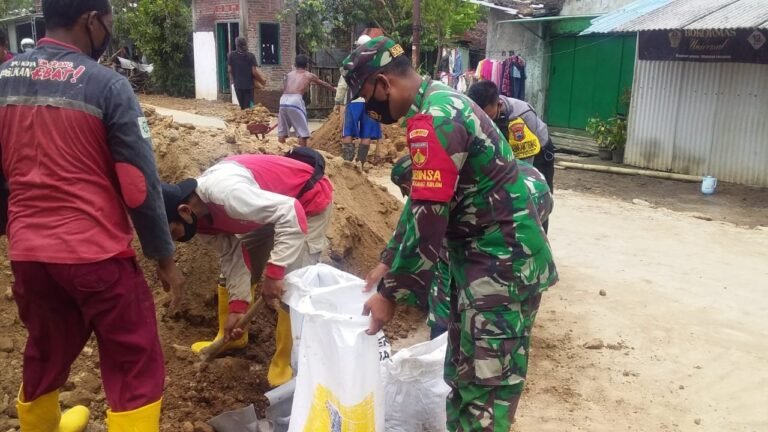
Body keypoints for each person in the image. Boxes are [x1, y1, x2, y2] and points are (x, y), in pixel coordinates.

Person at [345, 37, 558, 431]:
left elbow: (429, 218)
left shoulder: (436, 118)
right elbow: (420, 202)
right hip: (480, 267)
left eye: (366, 97)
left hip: (501, 271)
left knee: (486, 396)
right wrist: (388, 259)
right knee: (462, 380)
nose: (369, 111)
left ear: (382, 83)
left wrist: (390, 295)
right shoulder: (437, 104)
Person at [0, 0, 185, 430]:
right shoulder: (107, 86)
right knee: (134, 358)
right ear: (91, 20)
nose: (108, 32)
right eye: (109, 23)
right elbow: (138, 185)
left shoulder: (4, 80)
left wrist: (15, 233)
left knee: (46, 350)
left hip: (30, 256)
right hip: (95, 255)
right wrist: (164, 258)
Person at [161, 152, 333, 387]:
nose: (175, 240)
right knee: (232, 273)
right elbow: (233, 256)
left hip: (305, 200)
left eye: (172, 233)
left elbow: (290, 212)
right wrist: (237, 308)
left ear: (183, 211)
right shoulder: (198, 222)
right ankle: (231, 337)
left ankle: (285, 361)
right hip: (273, 207)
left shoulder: (228, 195)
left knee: (293, 284)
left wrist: (275, 273)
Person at [383, 155, 554, 340]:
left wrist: (389, 290)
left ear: (407, 186)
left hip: (521, 197)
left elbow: (420, 241)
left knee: (464, 260)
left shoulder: (439, 192)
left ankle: (455, 333)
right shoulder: (436, 171)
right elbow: (407, 224)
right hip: (534, 185)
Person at [468, 81, 556, 192]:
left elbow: (526, 164)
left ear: (498, 104)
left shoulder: (522, 115)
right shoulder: (469, 112)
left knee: (537, 192)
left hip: (536, 152)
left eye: (489, 118)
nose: (484, 121)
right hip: (509, 151)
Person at [335, 35, 382, 170]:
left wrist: (338, 102)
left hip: (353, 101)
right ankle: (360, 164)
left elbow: (343, 85)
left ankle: (347, 164)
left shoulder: (351, 63)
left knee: (348, 131)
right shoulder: (376, 65)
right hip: (370, 102)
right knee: (366, 134)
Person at [279, 54, 335, 146]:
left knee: (282, 131)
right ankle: (302, 154)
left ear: (295, 64)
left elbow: (284, 88)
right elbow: (323, 84)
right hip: (296, 100)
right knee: (302, 132)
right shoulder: (308, 75)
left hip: (283, 100)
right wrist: (335, 89)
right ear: (307, 65)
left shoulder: (288, 75)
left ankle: (279, 152)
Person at [228, 36, 262, 110]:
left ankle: (244, 119)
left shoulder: (231, 55)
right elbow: (254, 72)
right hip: (249, 86)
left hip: (237, 85)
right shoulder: (251, 56)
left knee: (242, 106)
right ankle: (249, 119)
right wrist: (261, 81)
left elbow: (230, 70)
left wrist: (233, 80)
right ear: (245, 44)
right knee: (249, 107)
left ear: (236, 45)